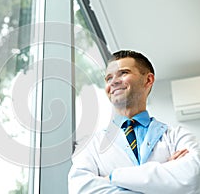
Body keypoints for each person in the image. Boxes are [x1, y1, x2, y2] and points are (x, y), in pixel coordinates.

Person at [68, 50, 200, 193]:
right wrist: (163, 181)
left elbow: (193, 175)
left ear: (148, 80)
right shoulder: (89, 145)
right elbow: (81, 189)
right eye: (108, 78)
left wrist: (111, 177)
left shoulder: (177, 136)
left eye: (123, 73)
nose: (114, 82)